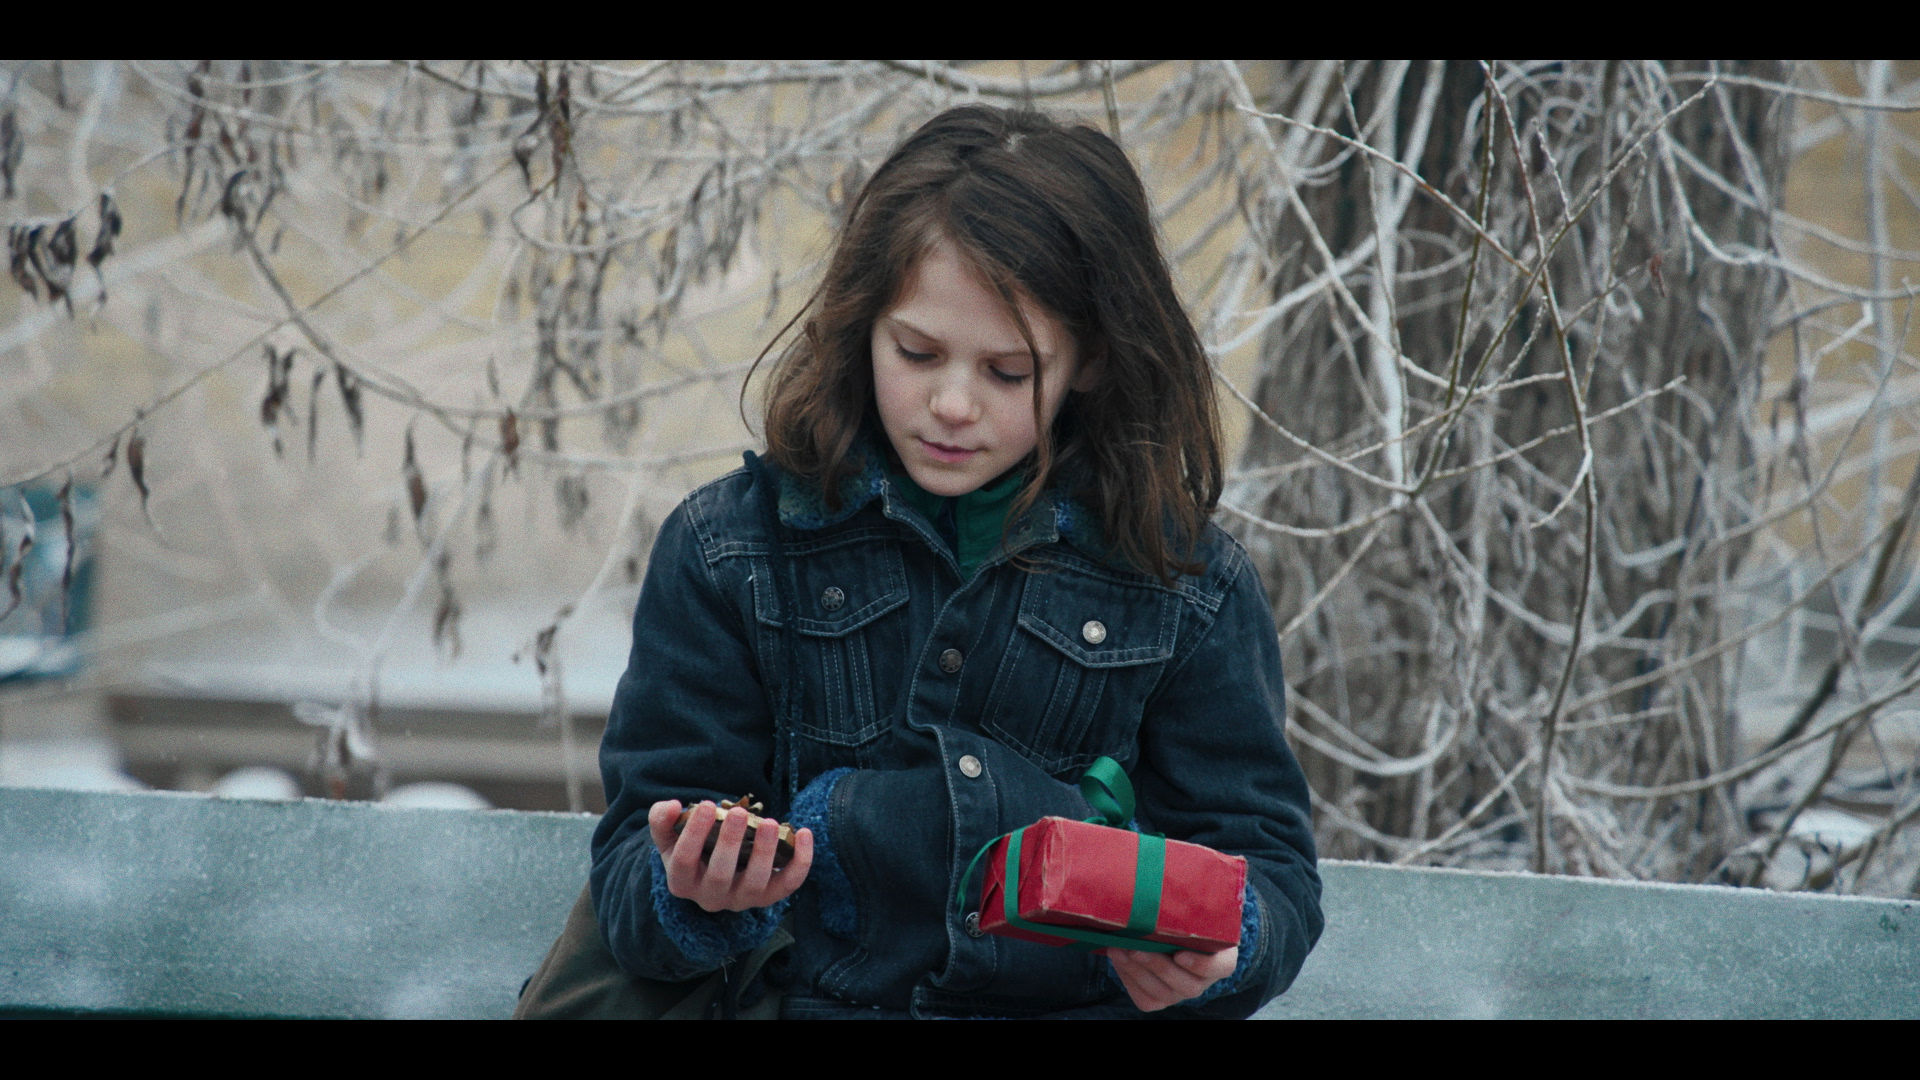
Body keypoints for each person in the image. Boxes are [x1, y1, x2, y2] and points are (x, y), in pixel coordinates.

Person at [590, 104, 1322, 1019]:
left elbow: (1269, 868)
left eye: (1007, 372)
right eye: (917, 352)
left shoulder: (1187, 584)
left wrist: (1220, 948)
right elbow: (634, 870)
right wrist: (697, 896)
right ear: (862, 324)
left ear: (1092, 360)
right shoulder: (729, 549)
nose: (952, 403)